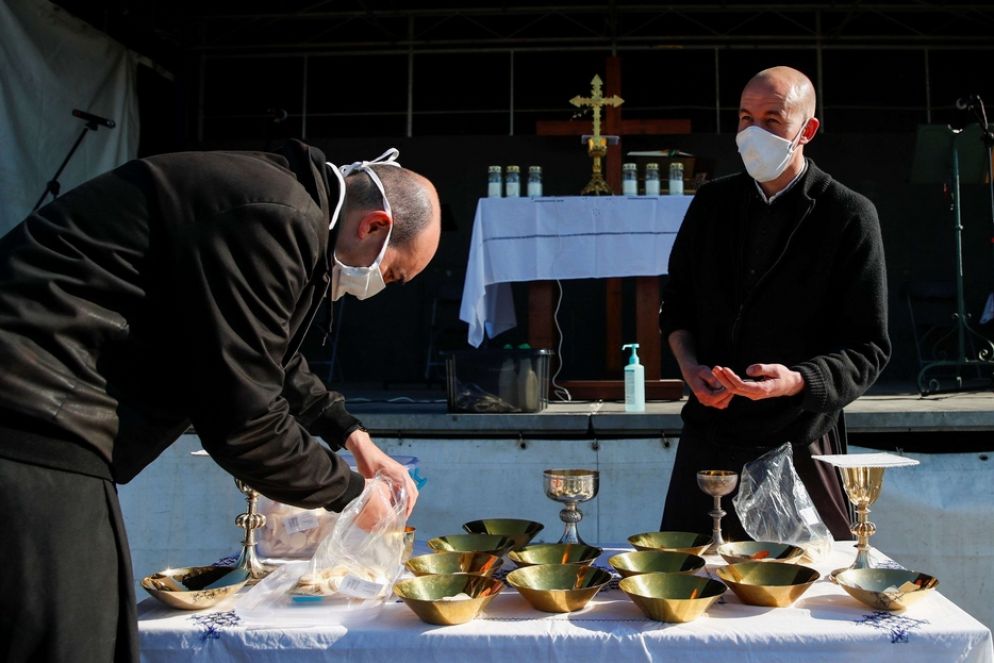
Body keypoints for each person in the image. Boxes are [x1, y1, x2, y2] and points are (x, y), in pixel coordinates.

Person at [0, 139, 441, 662]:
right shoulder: (276, 218)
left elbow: (260, 352)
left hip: (42, 414)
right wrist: (350, 494)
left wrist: (350, 432)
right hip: (34, 413)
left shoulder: (282, 199)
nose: (379, 288)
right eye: (391, 275)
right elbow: (246, 422)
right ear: (373, 227)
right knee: (72, 640)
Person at [658, 66, 890, 543]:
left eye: (771, 120)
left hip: (799, 437)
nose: (753, 134)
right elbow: (676, 304)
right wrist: (690, 367)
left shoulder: (848, 215)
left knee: (804, 600)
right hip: (710, 433)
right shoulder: (712, 204)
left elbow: (869, 346)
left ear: (807, 130)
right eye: (745, 118)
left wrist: (796, 381)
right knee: (691, 590)